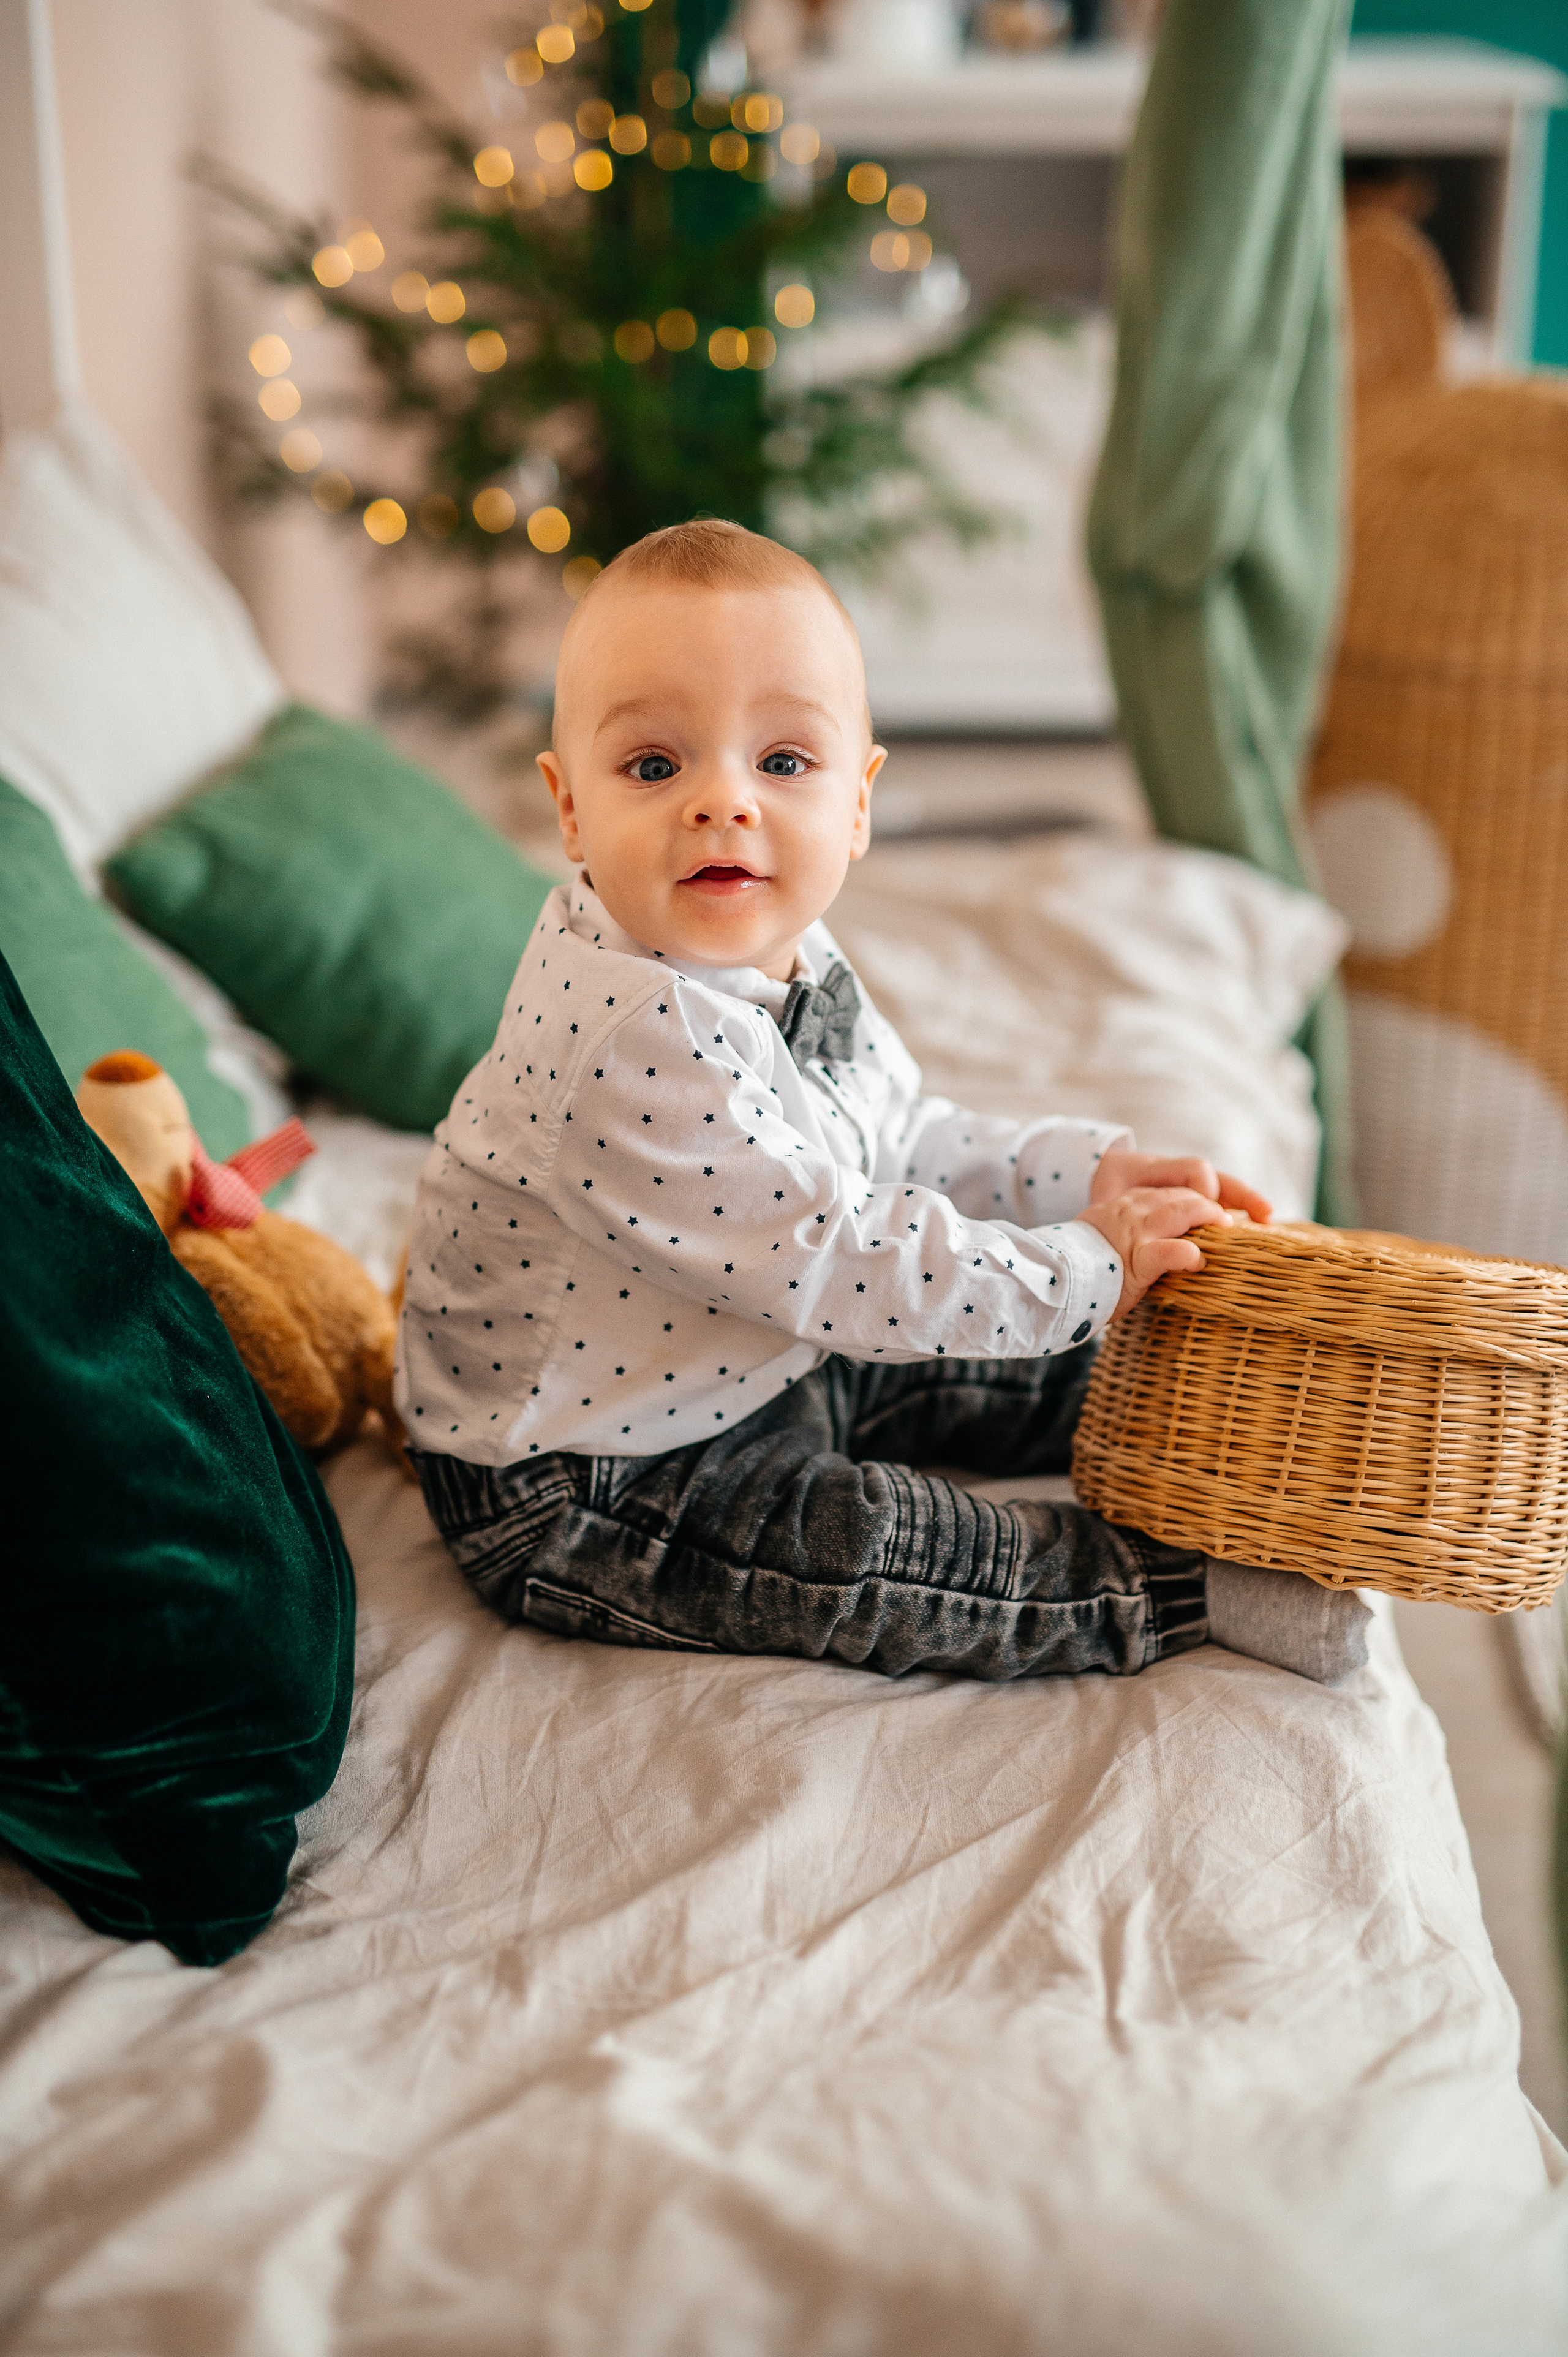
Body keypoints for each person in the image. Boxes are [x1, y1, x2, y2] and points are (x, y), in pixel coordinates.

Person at [396, 521, 1369, 1688]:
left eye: (784, 764)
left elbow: (903, 1135)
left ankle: (1244, 1440)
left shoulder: (789, 951)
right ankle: (1170, 1588)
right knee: (870, 1550)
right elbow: (842, 1257)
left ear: (858, 803)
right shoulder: (628, 1041)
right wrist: (1084, 1268)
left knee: (1059, 1364)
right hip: (592, 1474)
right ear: (568, 811)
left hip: (760, 1358)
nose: (724, 804)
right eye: (655, 768)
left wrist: (1087, 1177)